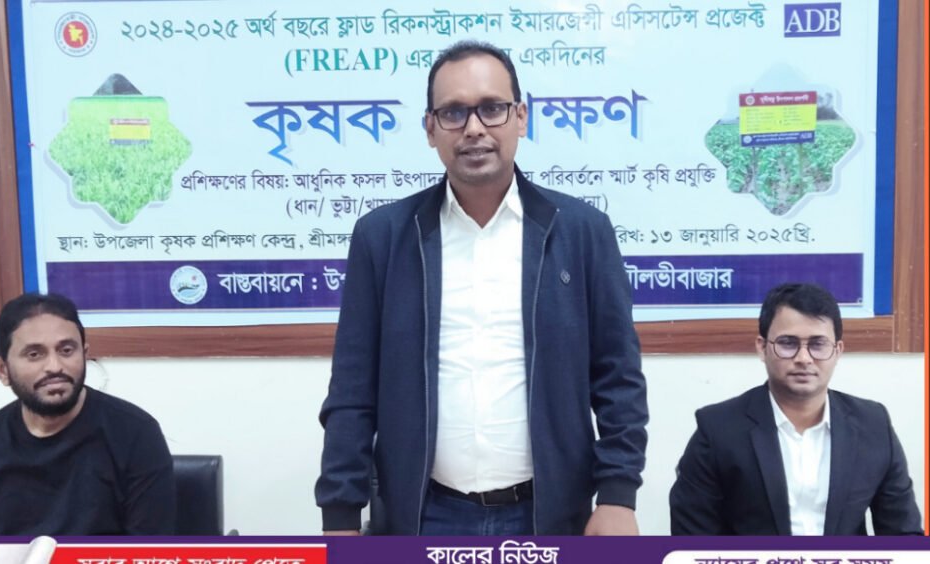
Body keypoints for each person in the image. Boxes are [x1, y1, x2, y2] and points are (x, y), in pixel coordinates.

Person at [315, 40, 648, 536]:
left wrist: (618, 494)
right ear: (430, 129)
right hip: (423, 516)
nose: (474, 128)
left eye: (492, 108)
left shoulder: (581, 232)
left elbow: (618, 377)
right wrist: (340, 513)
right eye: (453, 113)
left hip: (549, 515)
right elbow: (352, 391)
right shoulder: (383, 238)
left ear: (520, 117)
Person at [669, 282, 923, 535]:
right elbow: (691, 540)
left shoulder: (874, 425)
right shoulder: (717, 429)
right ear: (762, 348)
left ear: (837, 351)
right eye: (788, 343)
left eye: (818, 344)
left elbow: (903, 535)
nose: (803, 358)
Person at [0, 293, 176, 535]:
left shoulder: (136, 434)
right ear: (2, 369)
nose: (55, 366)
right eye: (34, 354)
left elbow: (150, 549)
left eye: (66, 350)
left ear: (84, 354)